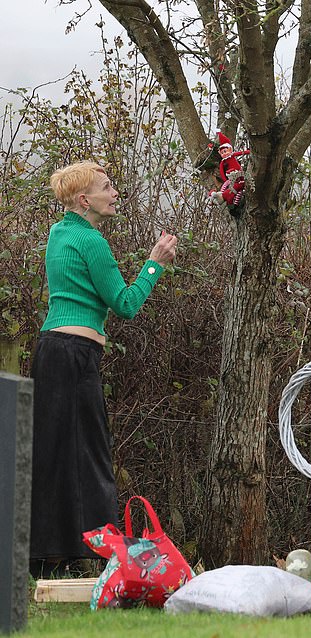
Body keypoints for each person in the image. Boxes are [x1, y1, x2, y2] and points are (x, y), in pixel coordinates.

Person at [29, 161, 177, 578]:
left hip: (50, 350)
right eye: (107, 187)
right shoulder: (92, 242)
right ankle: (104, 554)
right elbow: (126, 305)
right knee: (92, 455)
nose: (115, 193)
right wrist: (155, 263)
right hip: (77, 356)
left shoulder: (59, 233)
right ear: (84, 200)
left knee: (51, 453)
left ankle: (44, 557)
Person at [207, 131, 250, 207]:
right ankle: (225, 198)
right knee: (232, 189)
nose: (224, 153)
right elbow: (222, 171)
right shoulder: (223, 162)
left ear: (230, 149)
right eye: (222, 152)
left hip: (239, 174)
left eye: (225, 151)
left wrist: (250, 152)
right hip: (231, 177)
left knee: (238, 186)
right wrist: (226, 180)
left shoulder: (232, 156)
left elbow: (242, 153)